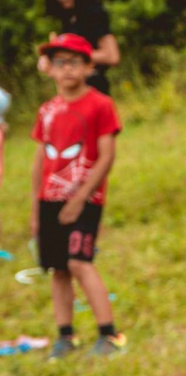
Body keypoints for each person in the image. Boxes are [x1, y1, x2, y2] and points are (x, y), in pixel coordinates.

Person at [32, 33, 126, 358]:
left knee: (79, 263)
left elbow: (106, 156)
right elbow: (40, 161)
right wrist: (35, 209)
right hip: (49, 201)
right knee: (57, 269)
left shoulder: (101, 104)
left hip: (85, 200)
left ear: (88, 67)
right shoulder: (47, 110)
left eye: (74, 62)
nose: (67, 69)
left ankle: (109, 334)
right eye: (60, 62)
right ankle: (65, 336)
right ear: (50, 69)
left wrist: (80, 198)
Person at [40, 0, 120, 95]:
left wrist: (75, 56)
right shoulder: (66, 17)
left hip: (93, 85)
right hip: (72, 88)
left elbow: (112, 56)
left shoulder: (93, 13)